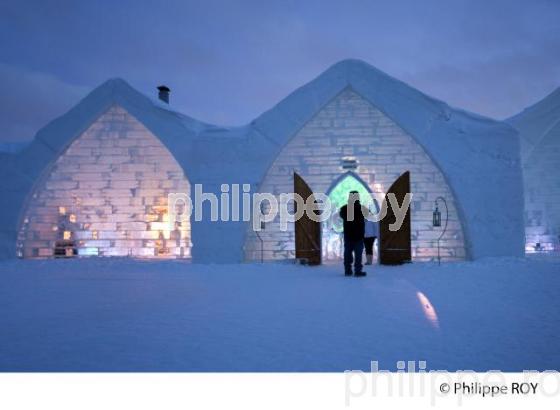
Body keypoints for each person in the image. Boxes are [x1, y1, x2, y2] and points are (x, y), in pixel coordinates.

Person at [339, 191, 368, 277]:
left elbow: (342, 215)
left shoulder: (344, 209)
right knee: (358, 254)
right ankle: (358, 270)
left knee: (347, 253)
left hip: (348, 234)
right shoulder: (363, 209)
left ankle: (348, 270)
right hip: (359, 235)